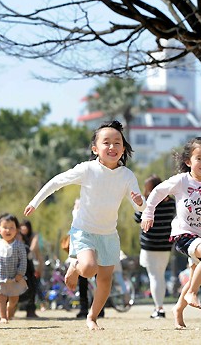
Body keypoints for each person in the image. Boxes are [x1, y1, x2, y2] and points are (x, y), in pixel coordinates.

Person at [24, 120, 145, 330]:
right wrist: (35, 201)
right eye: (106, 142)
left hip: (108, 234)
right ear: (95, 148)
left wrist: (141, 203)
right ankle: (74, 266)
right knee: (89, 269)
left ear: (123, 148)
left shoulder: (127, 175)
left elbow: (139, 208)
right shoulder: (87, 169)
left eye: (117, 143)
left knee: (105, 281)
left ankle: (92, 317)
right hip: (84, 230)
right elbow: (57, 182)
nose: (112, 147)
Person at [140, 136, 201, 330]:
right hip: (184, 234)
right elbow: (157, 191)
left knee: (194, 276)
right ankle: (192, 292)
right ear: (188, 161)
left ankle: (178, 310)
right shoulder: (182, 180)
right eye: (199, 158)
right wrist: (148, 213)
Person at [134, 174, 175, 319]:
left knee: (154, 277)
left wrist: (140, 204)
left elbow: (138, 218)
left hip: (149, 244)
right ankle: (159, 306)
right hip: (165, 245)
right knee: (160, 276)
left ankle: (159, 308)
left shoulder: (147, 203)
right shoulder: (171, 203)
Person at [0, 213, 28, 324]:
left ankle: (10, 309)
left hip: (15, 278)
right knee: (1, 298)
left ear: (17, 229)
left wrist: (20, 273)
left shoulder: (19, 245)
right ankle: (3, 317)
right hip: (0, 277)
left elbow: (23, 260)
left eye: (11, 227)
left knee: (14, 299)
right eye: (5, 227)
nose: (8, 230)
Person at [19, 219, 45, 317]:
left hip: (32, 265)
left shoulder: (33, 236)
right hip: (20, 265)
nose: (24, 228)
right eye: (22, 226)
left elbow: (32, 250)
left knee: (34, 286)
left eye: (26, 226)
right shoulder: (17, 236)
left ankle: (31, 309)